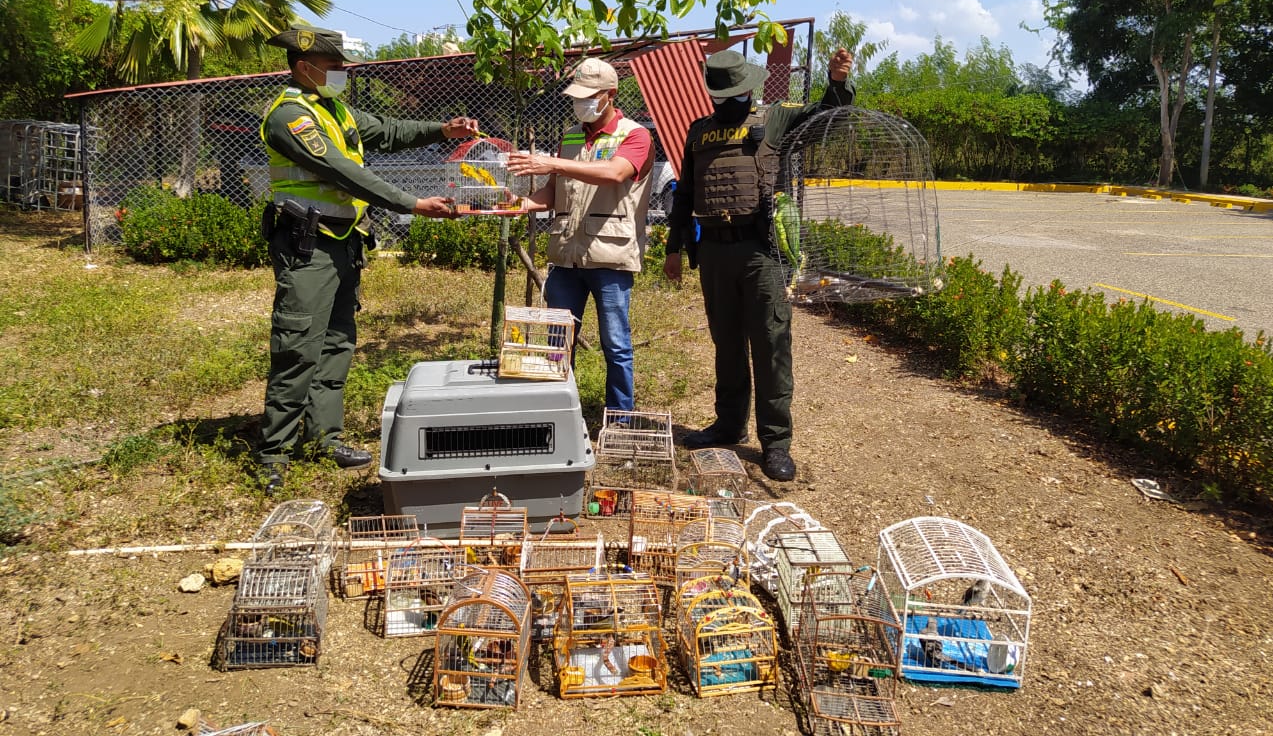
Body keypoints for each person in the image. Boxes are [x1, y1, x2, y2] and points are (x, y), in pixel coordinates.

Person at [256, 26, 480, 494]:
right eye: (335, 68)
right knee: (298, 345)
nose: (341, 76)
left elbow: (391, 131)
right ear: (304, 67)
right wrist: (412, 203)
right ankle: (274, 452)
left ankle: (323, 438)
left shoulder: (334, 110)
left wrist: (443, 129)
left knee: (337, 342)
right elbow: (344, 172)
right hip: (307, 244)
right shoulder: (291, 118)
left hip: (343, 242)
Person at [662, 47, 855, 482]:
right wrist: (674, 247)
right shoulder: (699, 132)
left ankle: (776, 443)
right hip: (713, 252)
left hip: (760, 251)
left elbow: (828, 116)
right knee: (726, 344)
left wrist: (838, 84)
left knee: (770, 347)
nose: (727, 100)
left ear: (748, 87)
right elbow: (685, 194)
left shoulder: (775, 120)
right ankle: (729, 425)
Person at [507, 57, 655, 411]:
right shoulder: (571, 138)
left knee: (615, 343)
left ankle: (620, 416)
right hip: (566, 254)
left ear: (610, 95)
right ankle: (560, 410)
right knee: (559, 338)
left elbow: (615, 174)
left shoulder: (635, 135)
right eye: (577, 96)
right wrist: (519, 203)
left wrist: (552, 162)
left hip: (609, 256)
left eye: (589, 96)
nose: (580, 103)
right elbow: (552, 191)